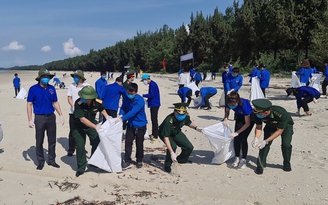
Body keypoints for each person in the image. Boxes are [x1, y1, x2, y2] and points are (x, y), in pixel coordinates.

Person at [27, 68, 65, 170]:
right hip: (39, 117)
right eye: (44, 77)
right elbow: (29, 104)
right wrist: (30, 119)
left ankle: (52, 160)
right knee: (39, 140)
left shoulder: (51, 88)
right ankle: (40, 161)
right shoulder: (33, 89)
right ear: (40, 78)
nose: (46, 78)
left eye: (48, 77)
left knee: (52, 140)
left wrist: (61, 114)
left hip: (51, 117)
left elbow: (55, 103)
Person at [72, 86, 111, 177]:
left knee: (96, 142)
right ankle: (81, 168)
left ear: (91, 98)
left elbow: (102, 109)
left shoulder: (98, 102)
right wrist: (96, 127)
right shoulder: (78, 103)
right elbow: (82, 119)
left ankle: (94, 161)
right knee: (80, 146)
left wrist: (107, 117)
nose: (83, 99)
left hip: (92, 126)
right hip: (79, 127)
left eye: (85, 98)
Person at [251, 99, 294, 175]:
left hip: (285, 126)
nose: (258, 114)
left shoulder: (280, 113)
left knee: (286, 145)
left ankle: (287, 163)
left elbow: (279, 131)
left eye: (260, 113)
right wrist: (256, 138)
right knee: (264, 146)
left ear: (266, 112)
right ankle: (260, 165)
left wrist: (266, 140)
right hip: (270, 126)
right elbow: (258, 127)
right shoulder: (257, 114)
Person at [159, 103, 202, 173]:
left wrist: (196, 128)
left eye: (183, 114)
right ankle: (167, 164)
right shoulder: (169, 120)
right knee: (173, 147)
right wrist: (172, 152)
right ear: (175, 111)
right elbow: (166, 137)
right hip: (165, 133)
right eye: (179, 114)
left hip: (176, 131)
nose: (181, 115)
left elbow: (188, 123)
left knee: (189, 147)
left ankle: (181, 159)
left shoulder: (186, 116)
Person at [118, 83, 148, 169]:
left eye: (132, 93)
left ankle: (139, 160)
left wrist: (123, 118)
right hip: (131, 124)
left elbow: (133, 112)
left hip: (140, 124)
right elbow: (124, 107)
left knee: (139, 143)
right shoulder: (126, 98)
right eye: (128, 93)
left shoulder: (140, 101)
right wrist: (120, 114)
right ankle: (127, 160)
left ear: (136, 92)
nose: (130, 95)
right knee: (128, 142)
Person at [223, 91, 255, 169]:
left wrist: (237, 132)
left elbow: (247, 123)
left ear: (237, 101)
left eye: (233, 104)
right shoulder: (228, 101)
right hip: (239, 116)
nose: (231, 106)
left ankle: (244, 159)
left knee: (243, 138)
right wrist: (226, 118)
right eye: (230, 105)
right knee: (236, 138)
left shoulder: (244, 105)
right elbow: (227, 111)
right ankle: (236, 157)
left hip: (249, 117)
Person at [66, 70, 89, 157]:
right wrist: (74, 106)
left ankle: (81, 148)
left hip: (84, 113)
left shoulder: (87, 86)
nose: (75, 78)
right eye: (74, 77)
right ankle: (71, 149)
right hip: (73, 112)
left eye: (76, 77)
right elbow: (69, 98)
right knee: (72, 131)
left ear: (81, 78)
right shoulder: (71, 86)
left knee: (83, 130)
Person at [142, 74, 161, 141]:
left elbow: (152, 95)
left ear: (146, 79)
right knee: (153, 119)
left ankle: (156, 135)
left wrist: (143, 95)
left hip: (155, 104)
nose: (144, 82)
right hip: (153, 103)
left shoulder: (152, 84)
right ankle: (153, 133)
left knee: (154, 119)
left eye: (143, 80)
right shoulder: (152, 84)